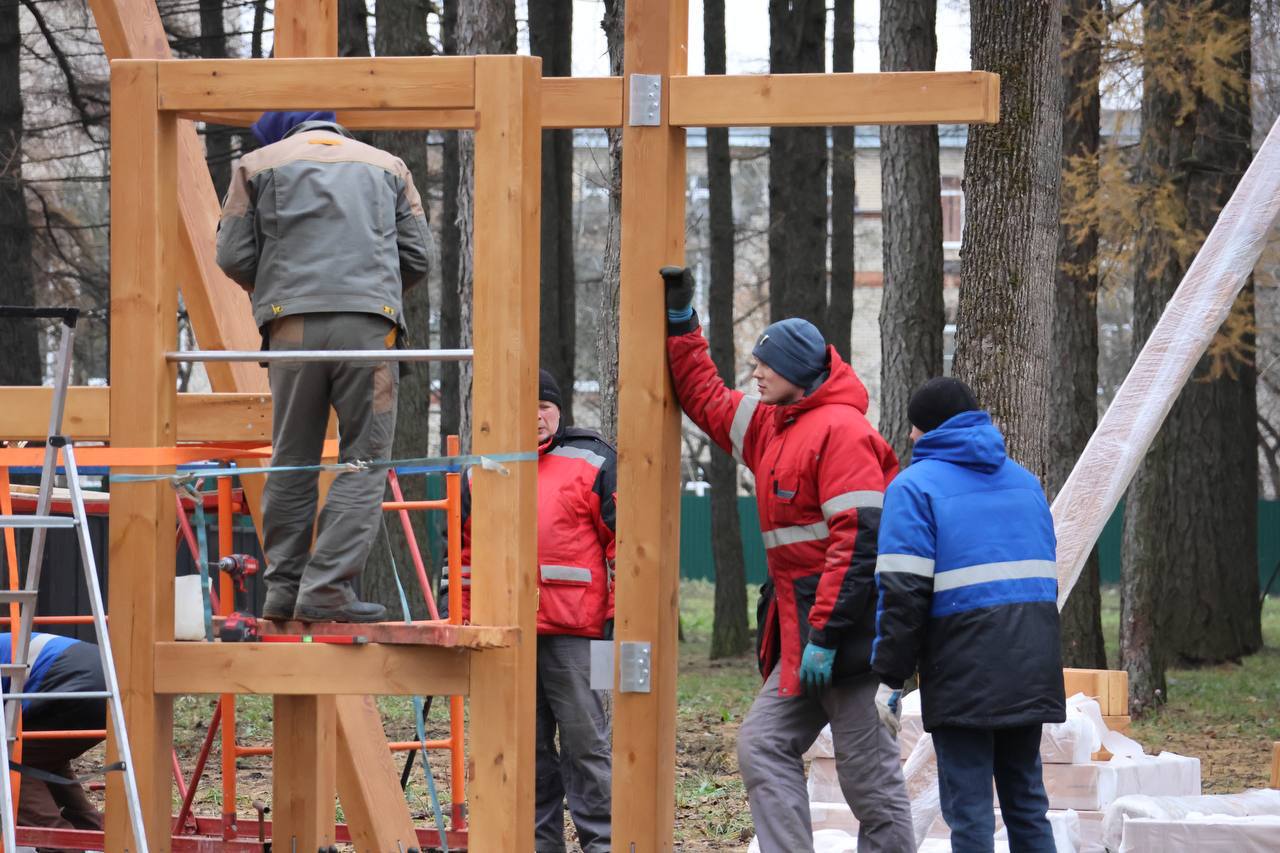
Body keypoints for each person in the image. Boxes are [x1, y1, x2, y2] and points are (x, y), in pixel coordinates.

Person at [659, 267, 914, 852]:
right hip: (804, 641)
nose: (754, 373)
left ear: (797, 373)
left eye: (764, 365)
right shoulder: (771, 425)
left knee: (868, 784)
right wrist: (682, 323)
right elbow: (704, 396)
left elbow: (860, 543)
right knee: (762, 744)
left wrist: (827, 633)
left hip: (848, 644)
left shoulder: (842, 433)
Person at [216, 110, 432, 623]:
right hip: (369, 331)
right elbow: (418, 255)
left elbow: (230, 253)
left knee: (291, 456)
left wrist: (278, 295)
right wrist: (367, 295)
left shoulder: (256, 165)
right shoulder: (389, 166)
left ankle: (283, 590)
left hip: (290, 330)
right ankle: (329, 587)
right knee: (364, 457)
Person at [871, 377, 1066, 853]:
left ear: (927, 430)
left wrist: (889, 680)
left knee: (970, 814)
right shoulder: (1026, 482)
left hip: (963, 669)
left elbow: (903, 594)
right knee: (1027, 804)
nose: (911, 437)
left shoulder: (913, 488)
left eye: (915, 428)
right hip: (1031, 663)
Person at [444, 369, 616, 853]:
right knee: (526, 753)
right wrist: (463, 621)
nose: (536, 416)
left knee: (588, 748)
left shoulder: (594, 458)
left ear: (559, 411)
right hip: (506, 635)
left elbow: (626, 546)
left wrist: (615, 624)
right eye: (526, 407)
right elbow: (462, 554)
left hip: (578, 634)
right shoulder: (481, 469)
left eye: (544, 405)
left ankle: (602, 845)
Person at [1, 633, 106, 844]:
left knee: (9, 762)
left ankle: (59, 844)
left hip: (71, 680)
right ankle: (90, 830)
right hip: (104, 679)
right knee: (40, 756)